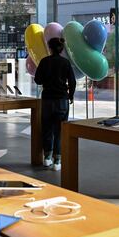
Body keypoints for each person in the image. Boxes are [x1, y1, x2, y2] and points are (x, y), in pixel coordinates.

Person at [34, 37, 76, 171]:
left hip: (47, 99)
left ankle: (47, 158)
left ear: (49, 48)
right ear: (61, 48)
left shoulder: (44, 62)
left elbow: (37, 80)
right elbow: (73, 81)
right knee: (60, 131)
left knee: (47, 128)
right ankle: (58, 161)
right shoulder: (65, 62)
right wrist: (70, 95)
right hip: (62, 100)